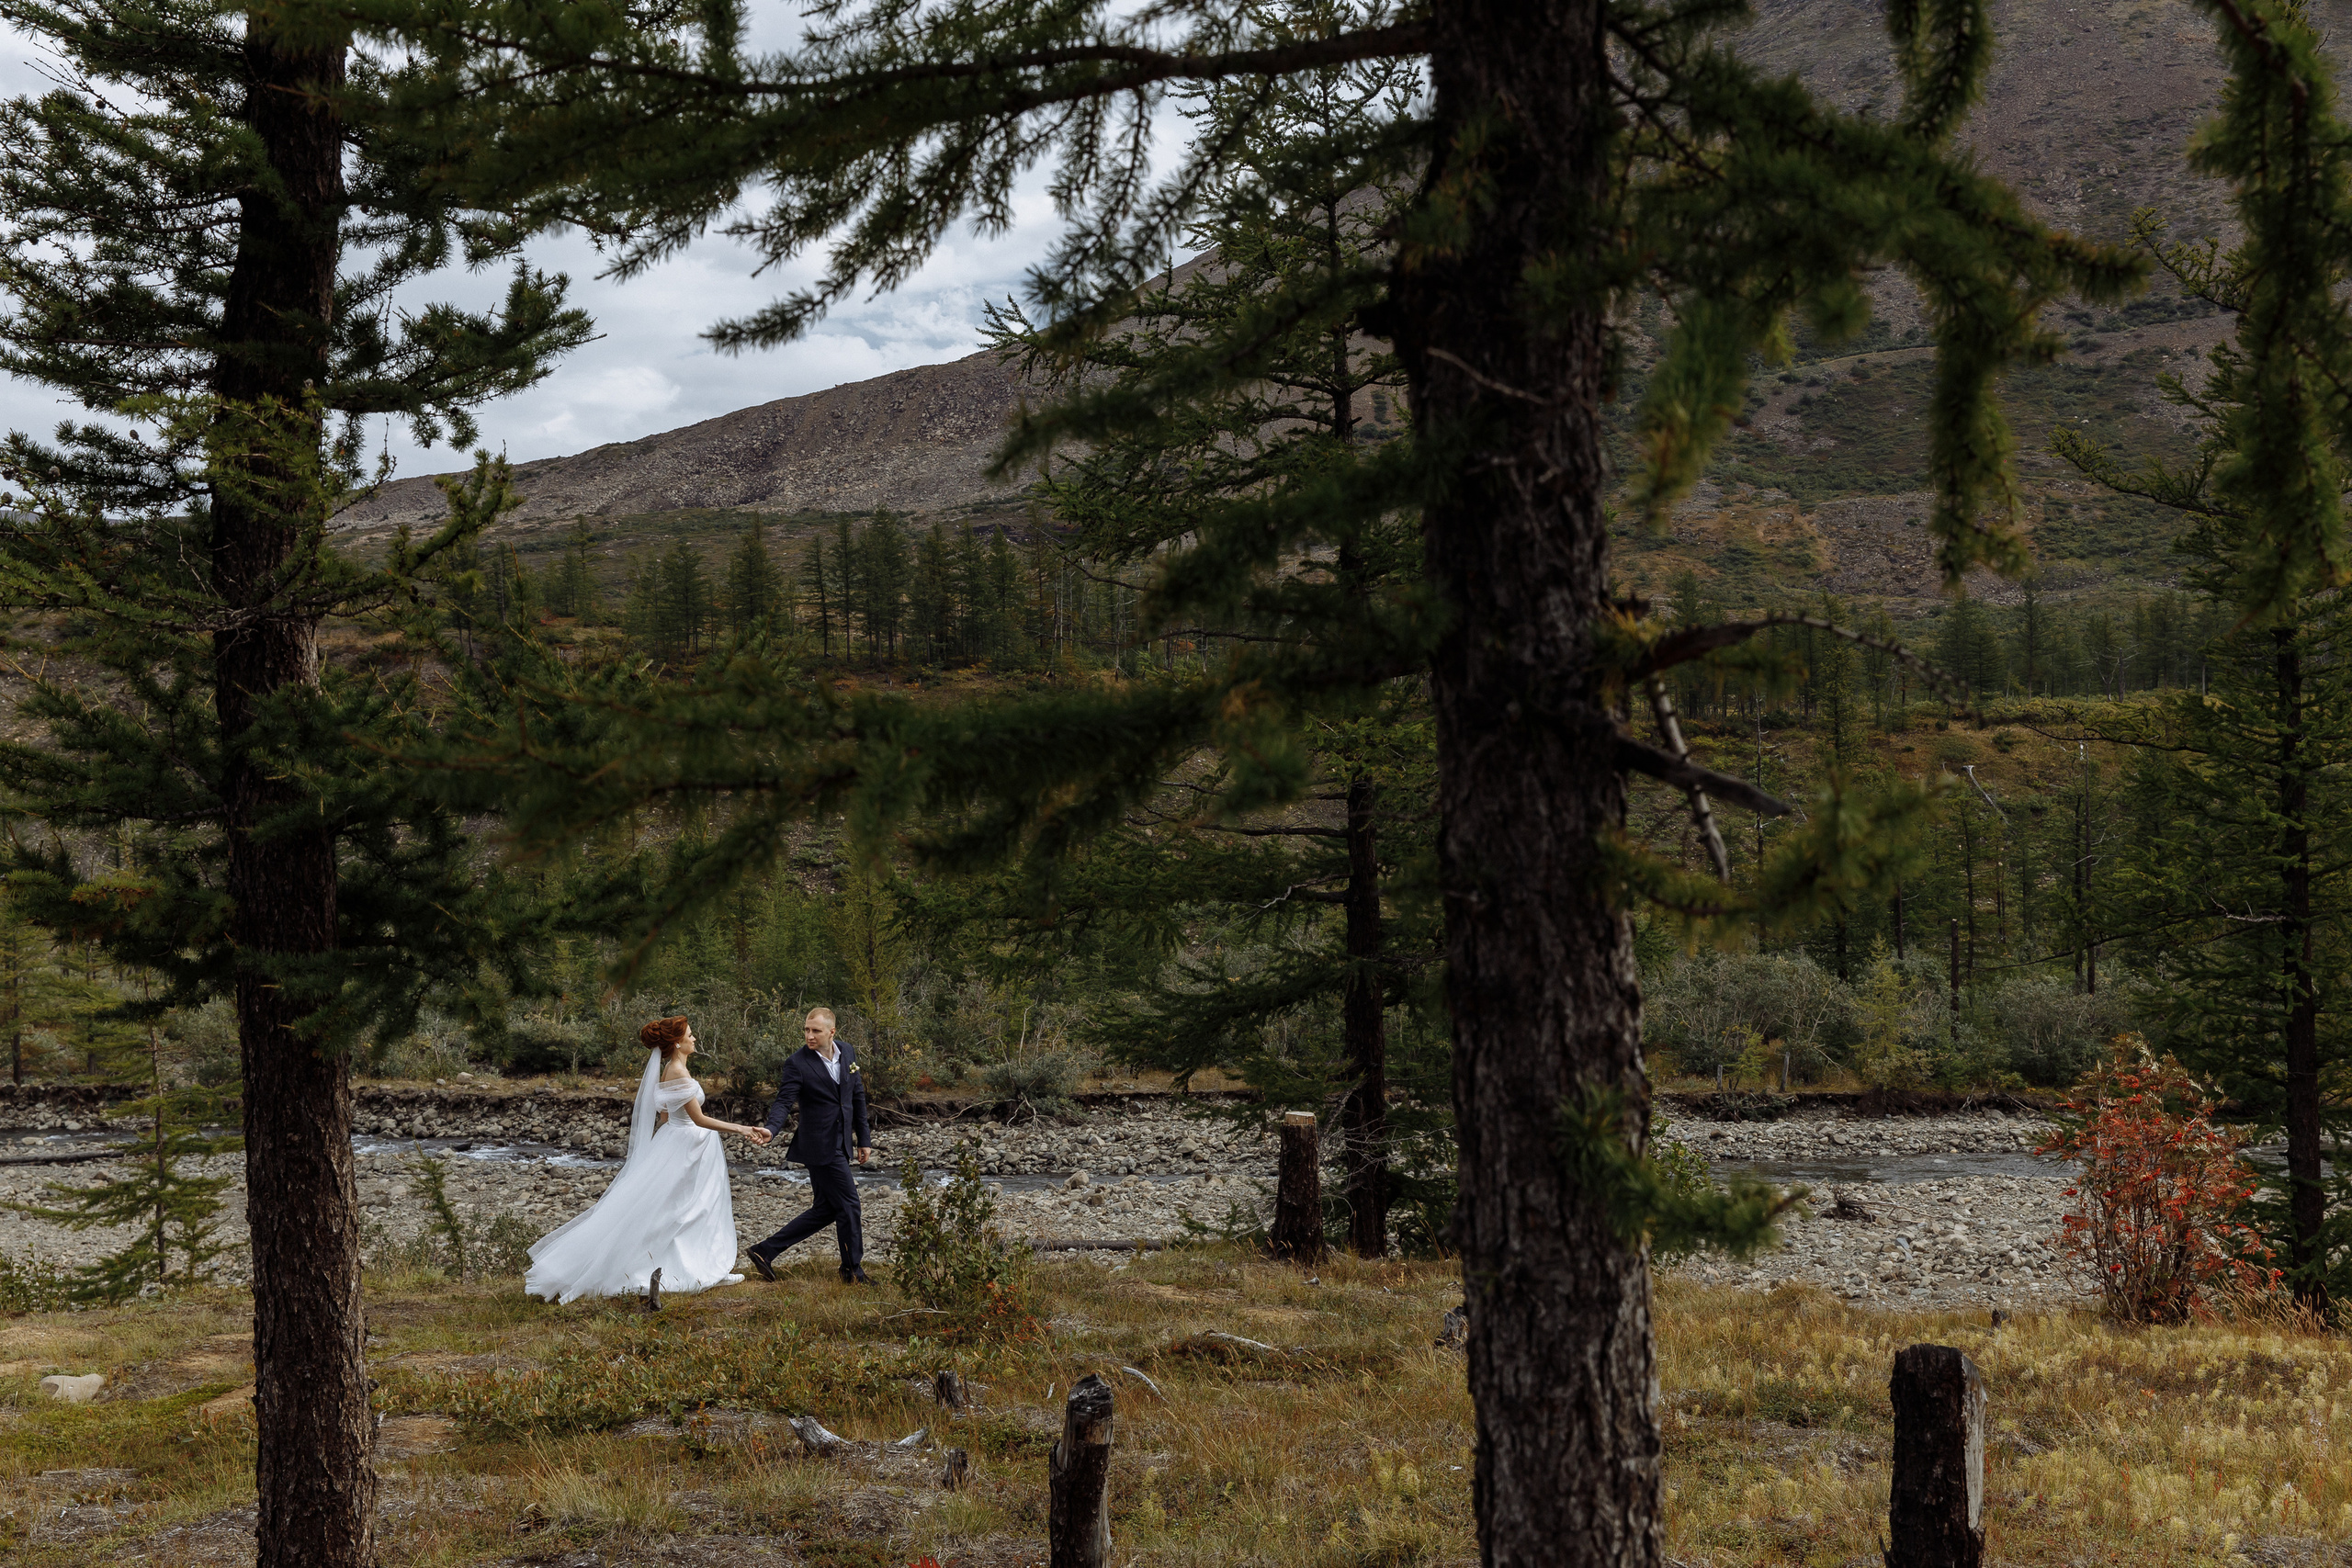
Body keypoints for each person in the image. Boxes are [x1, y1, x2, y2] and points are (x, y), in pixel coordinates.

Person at [524, 1016, 773, 1303]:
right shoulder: (678, 1071)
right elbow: (698, 1118)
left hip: (680, 1142)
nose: (694, 1039)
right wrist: (741, 1129)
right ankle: (698, 1270)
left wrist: (665, 1149)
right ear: (677, 1042)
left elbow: (665, 1116)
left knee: (692, 1208)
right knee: (689, 1210)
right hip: (689, 1146)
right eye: (690, 1035)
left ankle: (709, 1267)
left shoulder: (670, 1068)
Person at [746, 1007, 873, 1284]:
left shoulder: (848, 1052)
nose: (809, 1035)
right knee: (850, 1205)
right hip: (818, 1145)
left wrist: (863, 1139)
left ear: (832, 1032)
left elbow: (857, 1095)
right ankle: (853, 1272)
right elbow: (783, 1102)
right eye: (806, 1029)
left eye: (815, 1030)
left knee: (828, 1209)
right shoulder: (798, 1063)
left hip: (842, 1142)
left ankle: (764, 1251)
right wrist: (770, 1129)